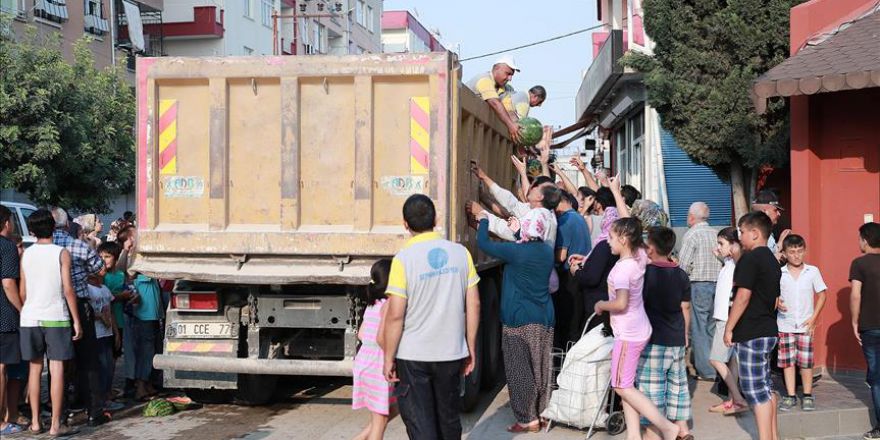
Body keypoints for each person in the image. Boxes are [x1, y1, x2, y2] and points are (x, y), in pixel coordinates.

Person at [382, 195, 480, 439]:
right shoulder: (461, 254)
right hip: (450, 352)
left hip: (413, 355)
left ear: (405, 224)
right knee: (448, 419)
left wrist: (388, 357)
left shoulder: (403, 260)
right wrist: (470, 346)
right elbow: (474, 303)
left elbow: (395, 315)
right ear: (435, 219)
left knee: (421, 423)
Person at [596, 217, 680, 440]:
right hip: (638, 329)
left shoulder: (623, 269)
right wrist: (616, 192)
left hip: (628, 333)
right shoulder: (640, 257)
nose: (607, 241)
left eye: (611, 237)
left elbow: (621, 303)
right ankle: (634, 436)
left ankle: (668, 428)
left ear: (624, 239)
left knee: (621, 386)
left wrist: (601, 305)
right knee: (626, 385)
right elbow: (633, 226)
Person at [476, 208, 555, 433]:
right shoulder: (546, 251)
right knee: (541, 367)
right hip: (544, 318)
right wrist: (518, 230)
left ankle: (527, 418)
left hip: (519, 319)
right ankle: (541, 413)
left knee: (519, 368)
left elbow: (484, 244)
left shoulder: (516, 252)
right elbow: (525, 241)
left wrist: (483, 221)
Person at [19, 209, 83, 436]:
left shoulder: (26, 254)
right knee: (57, 370)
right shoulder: (61, 253)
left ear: (32, 230)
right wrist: (76, 320)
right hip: (56, 316)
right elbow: (68, 289)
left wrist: (29, 309)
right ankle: (55, 425)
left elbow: (23, 292)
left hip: (30, 317)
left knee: (34, 370)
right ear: (54, 228)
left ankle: (35, 422)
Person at [723, 212, 782, 440]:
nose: (740, 236)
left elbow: (743, 296)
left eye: (742, 231)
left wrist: (729, 327)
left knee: (755, 392)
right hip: (767, 329)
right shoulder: (771, 260)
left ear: (755, 233)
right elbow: (775, 299)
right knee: (766, 388)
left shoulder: (751, 258)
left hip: (751, 332)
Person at [50, 207, 110, 427]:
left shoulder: (44, 248)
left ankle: (61, 412)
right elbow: (100, 268)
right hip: (80, 304)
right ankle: (94, 411)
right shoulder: (78, 246)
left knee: (59, 362)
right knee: (88, 360)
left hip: (54, 307)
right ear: (67, 225)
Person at [638, 226, 692, 440]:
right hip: (677, 337)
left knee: (652, 390)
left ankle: (654, 434)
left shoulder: (646, 274)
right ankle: (684, 430)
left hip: (654, 339)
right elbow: (685, 307)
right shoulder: (681, 274)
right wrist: (686, 334)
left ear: (650, 248)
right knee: (678, 387)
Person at [776, 234, 826, 412]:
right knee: (788, 363)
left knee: (805, 362)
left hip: (805, 325)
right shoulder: (779, 273)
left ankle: (807, 394)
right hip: (785, 324)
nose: (796, 255)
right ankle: (790, 395)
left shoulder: (812, 271)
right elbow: (773, 295)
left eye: (799, 251)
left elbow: (822, 295)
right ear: (785, 253)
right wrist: (777, 302)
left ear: (804, 251)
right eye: (792, 252)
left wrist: (813, 319)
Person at [353, 259, 397, 440]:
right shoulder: (388, 305)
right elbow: (381, 339)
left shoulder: (372, 305)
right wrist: (391, 359)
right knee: (380, 423)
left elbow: (362, 334)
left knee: (389, 410)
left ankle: (360, 438)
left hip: (364, 363)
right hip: (378, 365)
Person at [678, 201, 721, 381]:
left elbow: (683, 265)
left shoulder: (692, 235)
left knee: (699, 329)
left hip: (699, 285)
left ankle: (706, 370)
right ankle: (716, 366)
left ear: (692, 217)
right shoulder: (716, 233)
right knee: (712, 327)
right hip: (718, 284)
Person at [708, 227, 748, 416]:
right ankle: (733, 400)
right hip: (726, 317)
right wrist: (721, 255)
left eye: (722, 243)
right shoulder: (731, 262)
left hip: (726, 318)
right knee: (732, 360)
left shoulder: (739, 264)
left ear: (734, 245)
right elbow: (728, 260)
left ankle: (738, 399)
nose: (718, 247)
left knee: (716, 359)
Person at [849, 222, 880, 440]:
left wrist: (853, 321)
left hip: (871, 326)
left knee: (877, 378)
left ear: (865, 240)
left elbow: (855, 295)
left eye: (860, 238)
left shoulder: (859, 263)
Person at [554, 191, 592, 346]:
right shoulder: (579, 218)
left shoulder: (565, 221)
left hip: (568, 278)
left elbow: (561, 256)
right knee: (576, 324)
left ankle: (563, 367)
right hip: (581, 274)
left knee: (566, 325)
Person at [0, 206, 24, 436]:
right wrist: (21, 309)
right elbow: (8, 284)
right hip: (4, 317)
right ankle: (2, 422)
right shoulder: (6, 247)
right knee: (2, 367)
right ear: (7, 222)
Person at [86, 273, 124, 412]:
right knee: (100, 367)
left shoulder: (105, 289)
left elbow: (111, 311)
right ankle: (100, 400)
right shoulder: (87, 289)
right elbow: (86, 312)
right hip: (96, 334)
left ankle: (107, 396)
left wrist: (116, 332)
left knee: (109, 366)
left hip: (107, 333)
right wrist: (99, 316)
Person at [466, 56, 522, 142]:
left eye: (512, 75)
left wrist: (519, 129)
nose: (510, 79)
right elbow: (495, 103)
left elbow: (510, 111)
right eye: (508, 73)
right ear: (496, 68)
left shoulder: (506, 89)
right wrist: (511, 126)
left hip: (480, 133)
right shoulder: (484, 79)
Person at [126, 273, 162, 401]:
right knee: (146, 352)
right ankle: (140, 386)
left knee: (155, 350)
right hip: (144, 316)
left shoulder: (150, 275)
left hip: (154, 315)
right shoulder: (138, 276)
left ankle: (148, 384)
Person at [751, 190, 790, 258]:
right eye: (775, 210)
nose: (779, 214)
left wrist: (780, 242)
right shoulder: (754, 232)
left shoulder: (767, 231)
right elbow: (761, 259)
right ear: (765, 212)